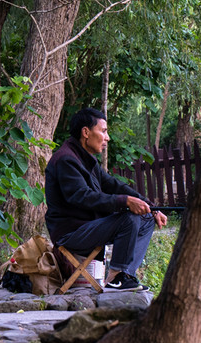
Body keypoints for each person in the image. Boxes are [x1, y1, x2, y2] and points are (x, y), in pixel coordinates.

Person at [45, 107, 167, 292]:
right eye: (103, 131)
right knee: (128, 218)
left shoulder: (86, 159)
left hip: (90, 227)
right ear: (86, 132)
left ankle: (124, 275)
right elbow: (82, 197)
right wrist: (125, 201)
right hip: (71, 233)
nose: (107, 137)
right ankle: (117, 277)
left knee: (146, 217)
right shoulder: (66, 159)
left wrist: (151, 207)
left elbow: (114, 185)